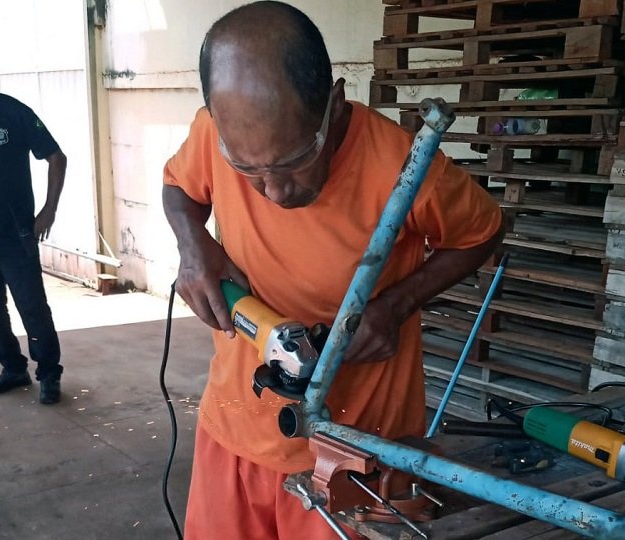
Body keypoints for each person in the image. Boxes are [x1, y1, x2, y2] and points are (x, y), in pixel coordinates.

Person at [162, 2, 503, 538]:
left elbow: (483, 232)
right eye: (248, 170)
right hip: (233, 433)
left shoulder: (402, 165)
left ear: (335, 103)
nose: (274, 192)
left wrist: (395, 306)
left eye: (294, 162)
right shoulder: (217, 131)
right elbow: (179, 187)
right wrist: (193, 246)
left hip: (355, 458)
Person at [0, 71, 67, 405]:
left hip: (15, 233)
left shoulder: (13, 112)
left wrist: (49, 209)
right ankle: (12, 368)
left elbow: (56, 157)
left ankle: (48, 373)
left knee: (31, 305)